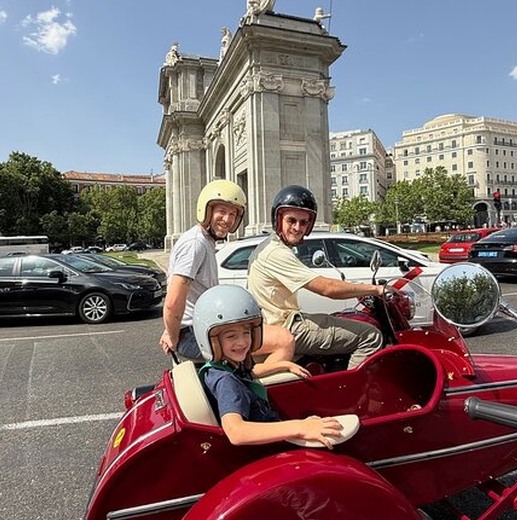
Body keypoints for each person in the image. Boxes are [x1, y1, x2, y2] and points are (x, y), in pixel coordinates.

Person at [159, 179, 295, 375]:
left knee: (255, 335)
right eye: (221, 211)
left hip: (198, 328)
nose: (227, 219)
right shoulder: (195, 244)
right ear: (206, 211)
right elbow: (173, 302)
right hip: (196, 334)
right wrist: (173, 336)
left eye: (233, 214)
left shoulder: (204, 241)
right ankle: (250, 388)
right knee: (284, 339)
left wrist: (172, 330)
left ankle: (242, 377)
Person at [247, 185, 387, 369]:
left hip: (282, 322)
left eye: (303, 222)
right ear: (278, 219)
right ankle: (352, 393)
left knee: (341, 319)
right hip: (286, 327)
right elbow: (326, 288)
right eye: (291, 220)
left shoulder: (271, 246)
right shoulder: (275, 253)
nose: (297, 227)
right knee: (370, 335)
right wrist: (376, 289)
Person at [194, 284, 341, 448]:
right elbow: (236, 432)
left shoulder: (222, 367)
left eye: (246, 333)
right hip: (269, 447)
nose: (242, 342)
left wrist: (283, 365)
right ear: (213, 342)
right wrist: (300, 427)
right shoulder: (226, 382)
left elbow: (251, 373)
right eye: (231, 336)